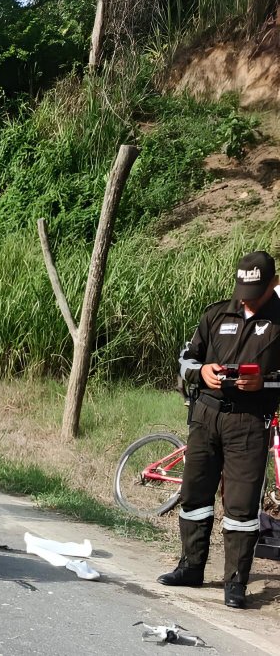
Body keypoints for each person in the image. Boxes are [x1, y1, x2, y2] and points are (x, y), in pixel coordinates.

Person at [160, 251, 280, 608]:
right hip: (206, 416)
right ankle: (190, 567)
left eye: (255, 292)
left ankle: (235, 582)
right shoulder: (215, 314)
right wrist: (202, 372)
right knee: (195, 494)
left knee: (241, 506)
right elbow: (186, 359)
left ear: (273, 284)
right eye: (243, 290)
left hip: (249, 422)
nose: (247, 299)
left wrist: (265, 383)